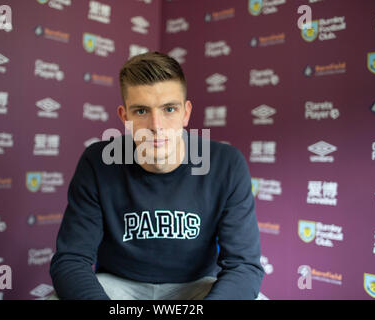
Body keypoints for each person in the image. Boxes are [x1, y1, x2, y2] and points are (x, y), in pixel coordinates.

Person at [49, 51, 264, 300]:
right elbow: (71, 260)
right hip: (119, 287)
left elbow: (244, 266)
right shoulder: (98, 161)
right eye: (141, 111)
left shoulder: (226, 164)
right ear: (124, 116)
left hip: (196, 288)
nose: (156, 126)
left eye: (169, 109)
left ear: (186, 113)